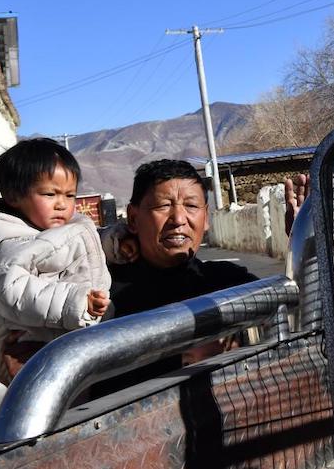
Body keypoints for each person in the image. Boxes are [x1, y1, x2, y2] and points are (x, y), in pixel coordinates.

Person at [92, 159, 258, 395]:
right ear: (133, 218)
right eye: (163, 206)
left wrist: (302, 241)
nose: (179, 219)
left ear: (206, 218)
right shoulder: (100, 294)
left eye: (191, 205)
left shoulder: (228, 282)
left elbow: (301, 310)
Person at [0, 138, 111, 385]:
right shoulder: (8, 246)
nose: (62, 204)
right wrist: (76, 301)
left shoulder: (51, 229)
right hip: (35, 346)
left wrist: (116, 244)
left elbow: (81, 247)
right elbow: (14, 290)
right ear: (13, 195)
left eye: (70, 195)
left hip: (72, 340)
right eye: (49, 194)